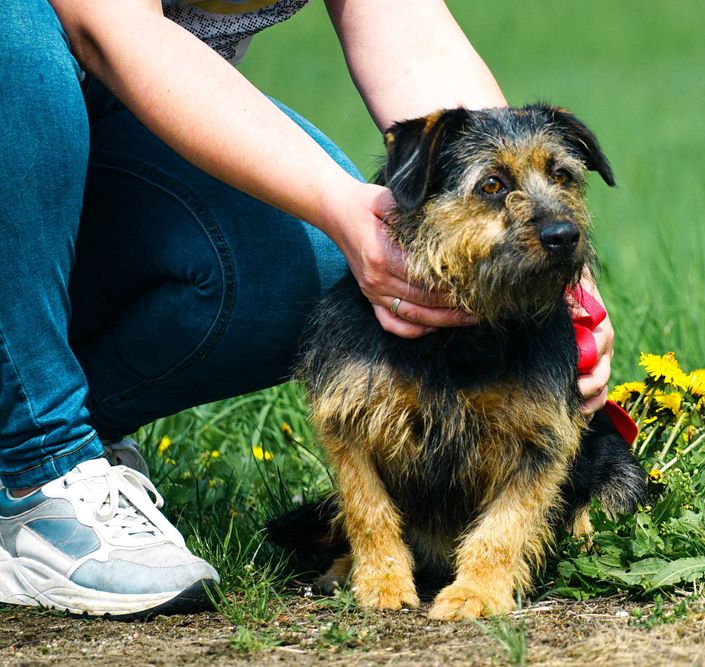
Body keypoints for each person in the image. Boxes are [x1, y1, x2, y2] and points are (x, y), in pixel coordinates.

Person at [0, 0, 614, 617]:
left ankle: (72, 426)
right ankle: (37, 467)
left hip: (109, 105)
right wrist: (332, 199)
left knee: (314, 264)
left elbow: (406, 34)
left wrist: (551, 270)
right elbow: (108, 24)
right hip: (28, 67)